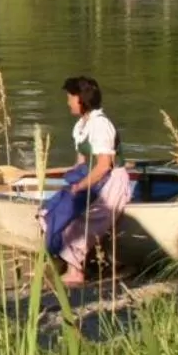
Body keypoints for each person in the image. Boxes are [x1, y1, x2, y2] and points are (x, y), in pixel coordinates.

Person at [41, 75, 133, 286]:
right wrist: (73, 181)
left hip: (111, 182)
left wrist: (80, 186)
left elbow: (103, 166)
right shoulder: (81, 125)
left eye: (70, 97)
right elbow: (81, 162)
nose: (68, 102)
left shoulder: (100, 125)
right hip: (91, 178)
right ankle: (65, 260)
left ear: (80, 99)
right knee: (56, 209)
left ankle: (76, 272)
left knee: (82, 222)